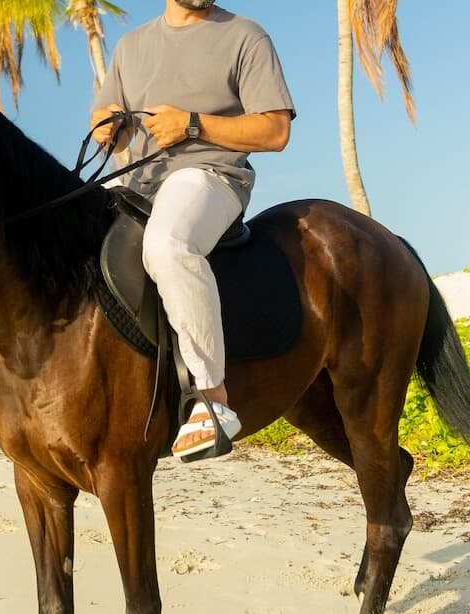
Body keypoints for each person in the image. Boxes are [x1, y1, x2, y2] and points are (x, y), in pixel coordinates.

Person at [90, 0, 295, 459]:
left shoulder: (245, 36)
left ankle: (212, 399)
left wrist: (192, 124)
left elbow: (276, 131)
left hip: (209, 175)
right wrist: (107, 126)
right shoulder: (131, 45)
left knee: (167, 244)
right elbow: (107, 119)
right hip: (137, 180)